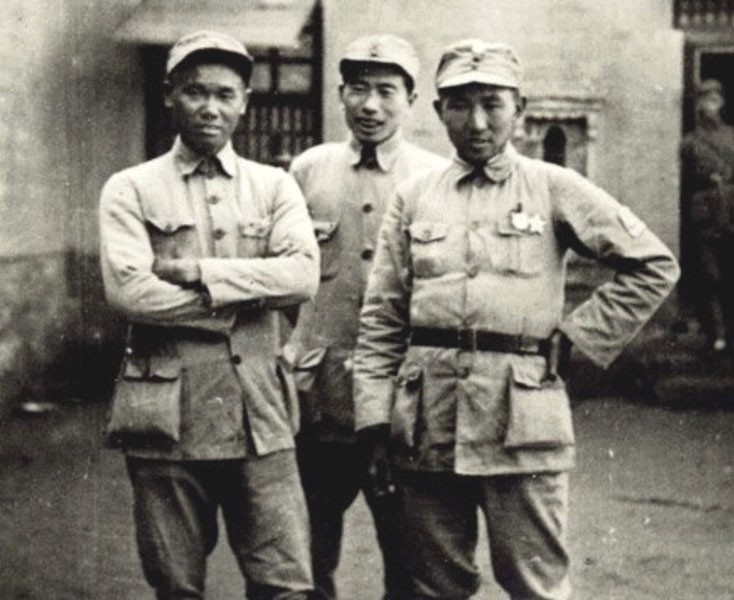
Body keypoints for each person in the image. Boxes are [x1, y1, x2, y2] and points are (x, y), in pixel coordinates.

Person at [353, 39, 680, 600]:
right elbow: (382, 317)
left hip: (522, 422)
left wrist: (579, 337)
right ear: (439, 111)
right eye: (460, 104)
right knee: (432, 586)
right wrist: (373, 423)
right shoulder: (414, 197)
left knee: (536, 584)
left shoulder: (554, 186)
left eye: (493, 104)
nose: (477, 122)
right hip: (426, 422)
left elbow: (652, 263)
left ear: (520, 109)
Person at [99, 30, 319, 600]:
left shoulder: (274, 187)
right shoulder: (130, 189)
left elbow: (302, 276)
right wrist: (244, 299)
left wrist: (201, 273)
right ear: (170, 95)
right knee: (176, 585)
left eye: (225, 94)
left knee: (285, 583)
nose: (210, 108)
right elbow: (131, 294)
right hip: (166, 416)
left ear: (245, 102)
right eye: (196, 92)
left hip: (259, 412)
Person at [284, 34, 445, 600]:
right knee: (305, 555)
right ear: (340, 94)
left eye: (386, 91)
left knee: (409, 556)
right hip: (318, 399)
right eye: (357, 89)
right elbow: (284, 278)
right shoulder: (308, 170)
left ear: (412, 99)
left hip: (400, 405)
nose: (370, 105)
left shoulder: (435, 177)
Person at [681, 79, 734, 353]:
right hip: (704, 215)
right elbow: (686, 182)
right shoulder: (690, 142)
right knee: (710, 276)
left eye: (713, 100)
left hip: (731, 210)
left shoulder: (732, 136)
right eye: (704, 101)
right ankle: (717, 333)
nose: (708, 106)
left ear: (721, 103)